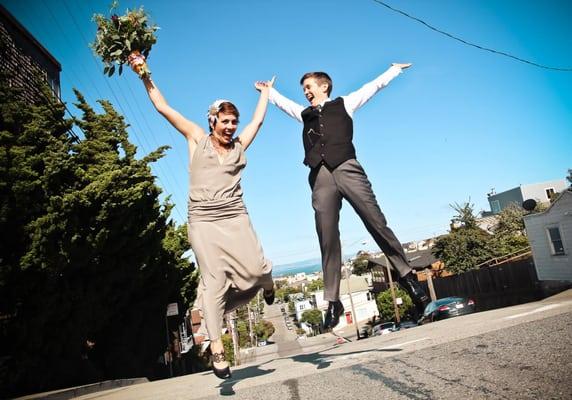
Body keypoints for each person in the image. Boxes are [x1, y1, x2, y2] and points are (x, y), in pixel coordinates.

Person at [129, 53, 275, 379]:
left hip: (235, 216)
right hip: (203, 221)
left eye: (234, 121)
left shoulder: (239, 146)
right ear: (212, 121)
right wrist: (144, 74)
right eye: (225, 121)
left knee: (254, 274)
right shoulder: (196, 138)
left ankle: (267, 282)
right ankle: (218, 351)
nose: (231, 126)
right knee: (214, 283)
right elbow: (164, 108)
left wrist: (265, 93)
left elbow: (258, 122)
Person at [266, 62, 429, 329]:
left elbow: (373, 86)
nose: (305, 92)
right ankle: (333, 301)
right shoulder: (304, 113)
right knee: (327, 236)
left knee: (376, 222)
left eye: (308, 86)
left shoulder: (346, 103)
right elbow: (284, 104)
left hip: (347, 168)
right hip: (320, 176)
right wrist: (269, 92)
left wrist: (394, 70)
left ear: (324, 86)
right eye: (303, 89)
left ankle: (408, 277)